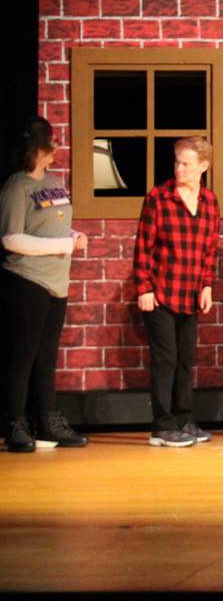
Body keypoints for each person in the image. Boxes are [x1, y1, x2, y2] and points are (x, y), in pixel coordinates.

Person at [1, 116, 89, 453]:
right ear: (36, 149)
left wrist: (73, 236)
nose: (55, 148)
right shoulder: (16, 186)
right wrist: (63, 246)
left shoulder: (54, 181)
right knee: (22, 357)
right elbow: (11, 238)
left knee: (46, 357)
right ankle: (14, 423)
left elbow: (52, 228)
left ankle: (47, 422)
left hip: (57, 283)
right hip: (27, 281)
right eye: (50, 143)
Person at [132, 136, 221, 448]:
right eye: (177, 162)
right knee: (165, 360)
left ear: (203, 167)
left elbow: (209, 249)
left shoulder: (209, 202)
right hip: (161, 292)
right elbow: (143, 247)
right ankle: (162, 424)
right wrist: (144, 287)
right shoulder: (159, 198)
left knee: (186, 360)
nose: (179, 168)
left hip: (191, 293)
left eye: (186, 164)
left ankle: (184, 419)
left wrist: (207, 284)